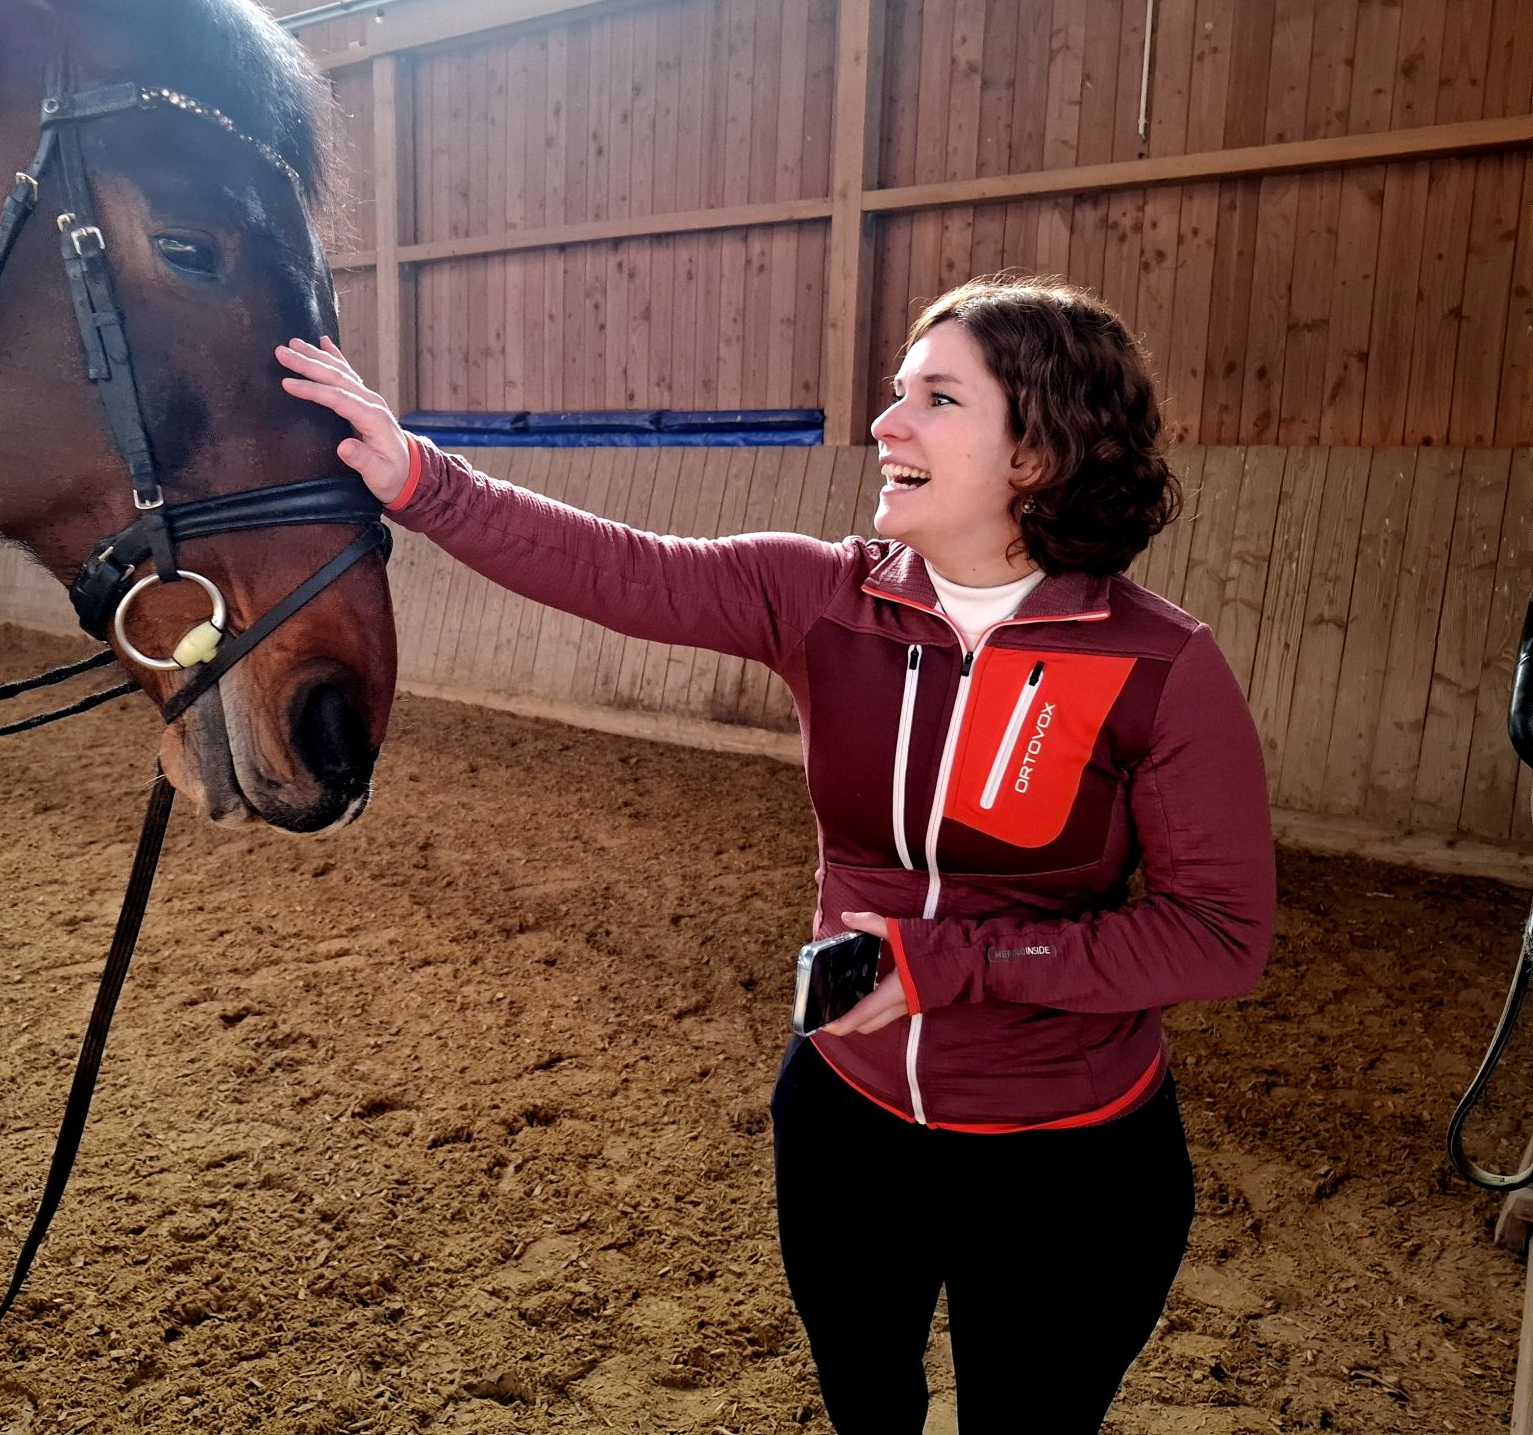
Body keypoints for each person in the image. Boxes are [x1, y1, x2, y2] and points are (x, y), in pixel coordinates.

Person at [275, 274, 1276, 1434]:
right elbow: (617, 566)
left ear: (1037, 451)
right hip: (845, 1116)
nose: (885, 424)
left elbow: (1217, 935)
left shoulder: (1160, 665)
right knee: (865, 1408)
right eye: (897, 392)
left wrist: (952, 965)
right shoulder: (821, 594)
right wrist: (417, 477)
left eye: (936, 400)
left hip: (1068, 1163)